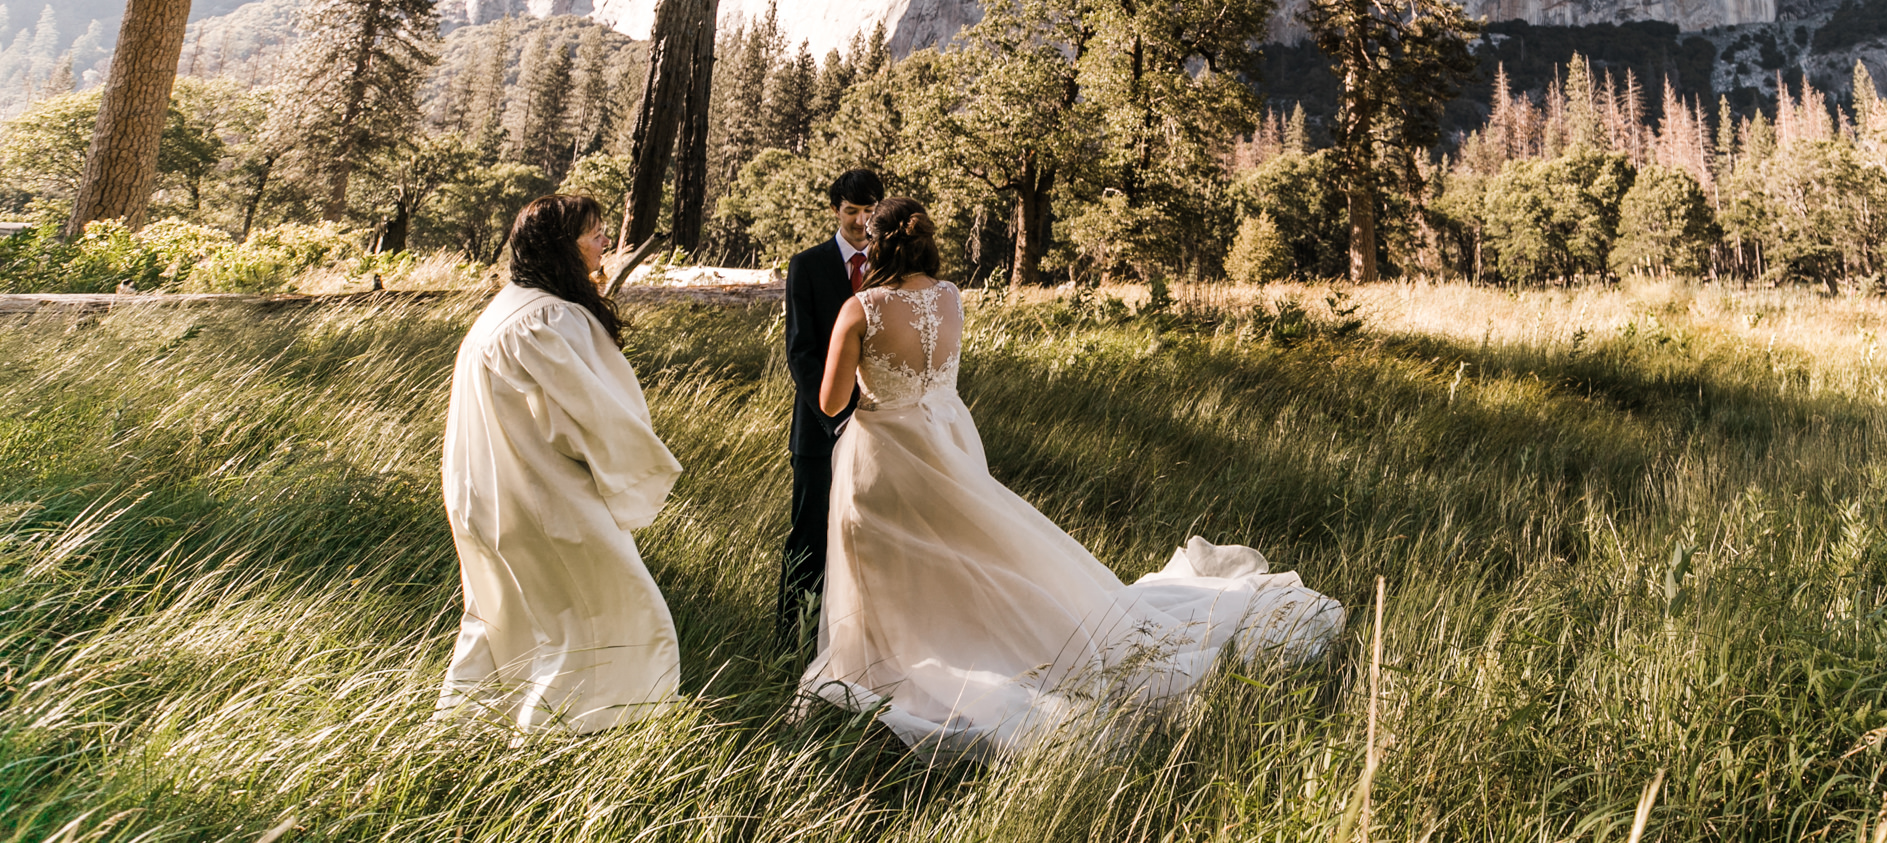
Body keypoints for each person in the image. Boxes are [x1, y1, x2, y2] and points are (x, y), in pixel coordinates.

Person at [795, 197, 1344, 759]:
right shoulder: (950, 298)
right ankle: (970, 644)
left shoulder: (860, 310)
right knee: (965, 559)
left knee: (889, 566)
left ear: (877, 245)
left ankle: (888, 664)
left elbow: (833, 400)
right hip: (948, 444)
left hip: (884, 456)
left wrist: (870, 380)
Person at [437, 195, 682, 732]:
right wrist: (627, 470)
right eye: (591, 233)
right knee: (612, 618)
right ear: (559, 246)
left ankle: (468, 735)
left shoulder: (505, 308)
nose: (603, 242)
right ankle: (568, 738)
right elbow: (588, 419)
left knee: (505, 618)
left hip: (486, 496)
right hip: (543, 498)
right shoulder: (549, 318)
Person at [778, 166, 883, 647]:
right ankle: (789, 644)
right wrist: (835, 417)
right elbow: (800, 351)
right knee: (810, 538)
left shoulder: (890, 267)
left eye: (869, 211)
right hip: (819, 432)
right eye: (851, 212)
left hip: (884, 432)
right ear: (835, 210)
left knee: (871, 540)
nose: (861, 222)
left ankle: (855, 642)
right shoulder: (807, 265)